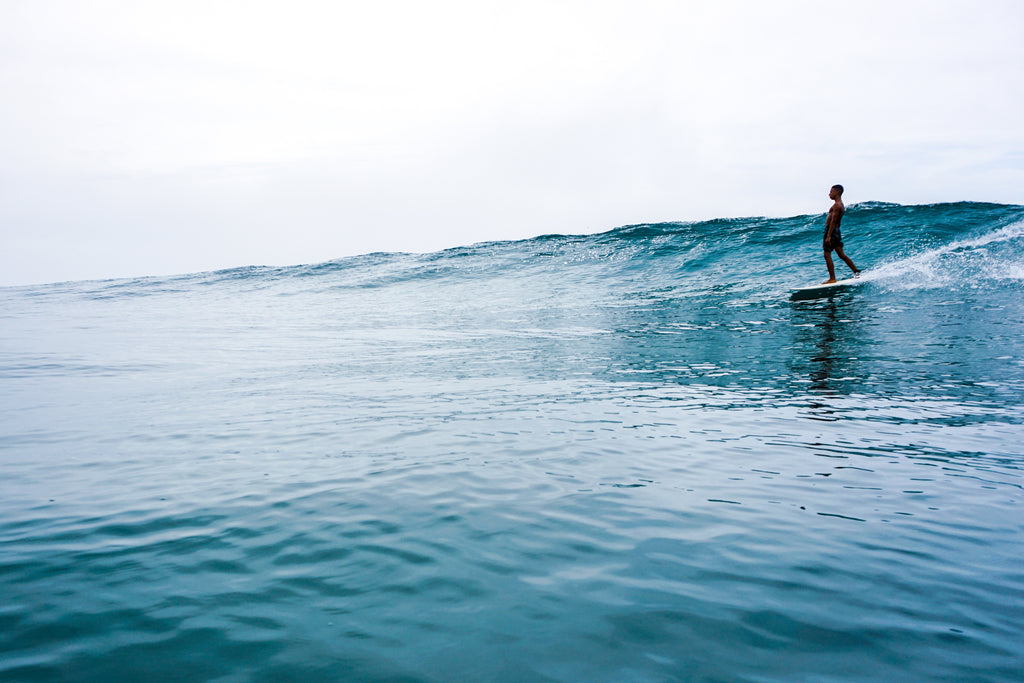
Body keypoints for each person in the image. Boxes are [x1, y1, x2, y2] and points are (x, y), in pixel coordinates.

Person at [822, 184, 860, 283]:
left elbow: (833, 221)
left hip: (832, 231)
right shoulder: (840, 205)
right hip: (836, 231)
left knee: (827, 255)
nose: (829, 194)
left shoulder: (836, 206)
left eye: (831, 192)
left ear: (837, 192)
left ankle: (832, 278)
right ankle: (856, 272)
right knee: (841, 254)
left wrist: (828, 236)